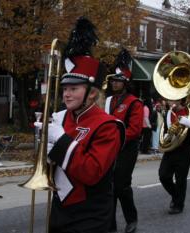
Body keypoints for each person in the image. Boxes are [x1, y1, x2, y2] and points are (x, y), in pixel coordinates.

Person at [44, 17, 125, 233]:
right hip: (60, 206)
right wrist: (45, 152)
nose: (66, 94)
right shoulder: (61, 118)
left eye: (74, 89)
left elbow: (91, 172)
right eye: (65, 89)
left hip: (91, 214)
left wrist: (60, 140)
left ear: (92, 94)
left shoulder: (109, 126)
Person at [104, 49, 143, 233]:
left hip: (127, 149)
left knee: (121, 186)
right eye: (112, 80)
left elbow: (134, 131)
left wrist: (113, 138)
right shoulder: (108, 100)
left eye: (118, 80)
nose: (114, 82)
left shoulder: (135, 103)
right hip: (109, 149)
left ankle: (132, 219)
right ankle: (109, 223)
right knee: (108, 186)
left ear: (125, 82)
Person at [158, 98, 190, 214]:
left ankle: (178, 205)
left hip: (184, 150)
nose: (169, 101)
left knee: (180, 179)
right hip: (170, 150)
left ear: (179, 100)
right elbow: (163, 130)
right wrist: (167, 135)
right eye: (168, 99)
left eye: (172, 99)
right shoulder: (168, 114)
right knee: (163, 175)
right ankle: (177, 196)